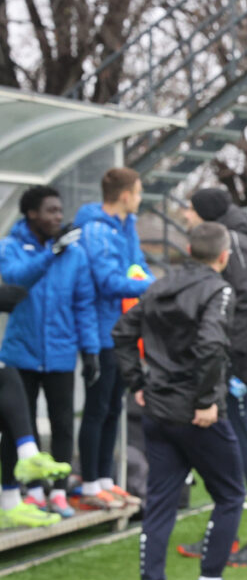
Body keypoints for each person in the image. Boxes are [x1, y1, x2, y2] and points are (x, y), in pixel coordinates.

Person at [113, 222, 247, 580]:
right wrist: (206, 399)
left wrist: (137, 384)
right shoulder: (219, 289)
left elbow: (122, 332)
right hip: (198, 414)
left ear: (189, 249)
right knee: (230, 495)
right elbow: (210, 344)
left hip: (158, 412)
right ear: (223, 257)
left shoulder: (157, 286)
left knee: (160, 503)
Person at [177, 188, 247, 566]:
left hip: (240, 365)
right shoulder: (233, 239)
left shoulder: (233, 244)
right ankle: (226, 536)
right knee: (229, 447)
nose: (185, 215)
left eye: (189, 209)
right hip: (233, 361)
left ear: (204, 214)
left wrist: (228, 357)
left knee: (245, 448)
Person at [0, 186, 100, 518]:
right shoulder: (11, 247)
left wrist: (90, 352)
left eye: (60, 211)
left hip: (60, 353)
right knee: (17, 427)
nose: (58, 217)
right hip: (20, 355)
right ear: (31, 214)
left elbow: (84, 306)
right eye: (50, 211)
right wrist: (50, 254)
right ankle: (18, 494)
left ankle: (57, 492)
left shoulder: (75, 254)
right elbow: (15, 281)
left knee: (62, 425)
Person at [74, 167, 153, 510]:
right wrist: (153, 286)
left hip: (122, 331)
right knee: (97, 409)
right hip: (99, 332)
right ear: (124, 195)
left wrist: (145, 278)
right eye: (137, 192)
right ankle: (89, 485)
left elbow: (136, 265)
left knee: (111, 409)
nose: (140, 198)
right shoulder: (94, 230)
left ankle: (105, 480)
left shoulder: (128, 225)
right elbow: (107, 281)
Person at [0, 284, 73, 529]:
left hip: (53, 353)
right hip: (25, 352)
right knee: (7, 379)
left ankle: (10, 500)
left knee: (10, 403)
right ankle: (27, 456)